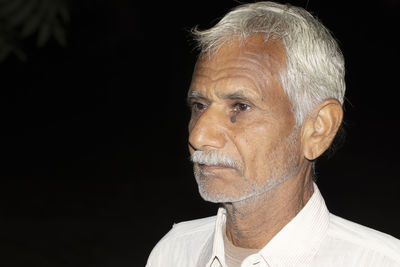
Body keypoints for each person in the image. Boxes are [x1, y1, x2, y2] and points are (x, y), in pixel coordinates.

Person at [146, 2, 400, 266]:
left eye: (241, 107)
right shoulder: (173, 253)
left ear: (317, 129)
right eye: (199, 106)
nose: (199, 137)